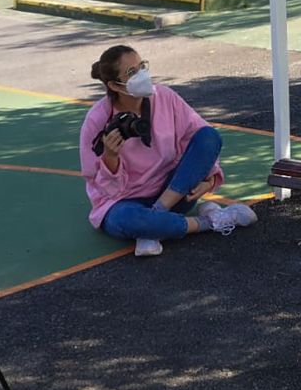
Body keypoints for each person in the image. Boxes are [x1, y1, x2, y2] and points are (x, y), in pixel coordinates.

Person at [79, 45, 256, 257]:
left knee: (209, 136)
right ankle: (210, 221)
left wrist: (208, 179)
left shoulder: (163, 97)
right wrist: (110, 159)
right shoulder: (97, 120)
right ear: (114, 86)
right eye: (131, 72)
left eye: (142, 66)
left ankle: (155, 222)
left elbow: (199, 136)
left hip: (172, 193)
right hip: (124, 202)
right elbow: (103, 188)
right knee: (127, 220)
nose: (142, 74)